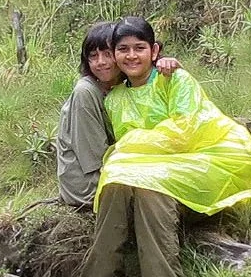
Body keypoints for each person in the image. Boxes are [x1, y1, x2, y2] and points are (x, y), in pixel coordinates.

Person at [76, 16, 251, 277]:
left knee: (148, 188)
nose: (132, 56)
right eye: (123, 49)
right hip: (150, 172)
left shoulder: (174, 79)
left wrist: (131, 149)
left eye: (140, 48)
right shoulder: (116, 98)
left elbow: (185, 132)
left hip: (200, 162)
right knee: (117, 183)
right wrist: (129, 155)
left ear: (155, 50)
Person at [55, 22, 178, 209]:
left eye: (107, 54)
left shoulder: (126, 86)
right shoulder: (86, 92)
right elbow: (96, 159)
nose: (101, 62)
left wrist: (167, 64)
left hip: (114, 169)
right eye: (93, 56)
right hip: (89, 184)